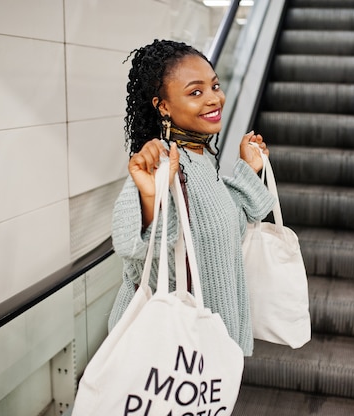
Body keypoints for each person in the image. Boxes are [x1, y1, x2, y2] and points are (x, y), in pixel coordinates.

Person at [107, 39, 274, 356]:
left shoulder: (201, 160)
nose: (214, 99)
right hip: (172, 356)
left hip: (206, 344)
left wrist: (248, 171)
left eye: (215, 86)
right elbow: (133, 251)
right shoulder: (165, 167)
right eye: (196, 92)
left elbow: (223, 233)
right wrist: (149, 198)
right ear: (164, 106)